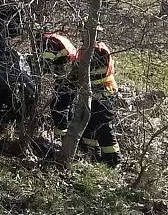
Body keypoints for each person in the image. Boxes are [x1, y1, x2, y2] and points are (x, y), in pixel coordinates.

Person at [40, 32, 122, 167]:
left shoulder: (98, 51)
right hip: (92, 95)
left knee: (103, 127)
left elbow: (82, 72)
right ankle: (91, 155)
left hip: (104, 94)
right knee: (90, 125)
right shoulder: (86, 50)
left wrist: (67, 82)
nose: (84, 36)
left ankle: (113, 161)